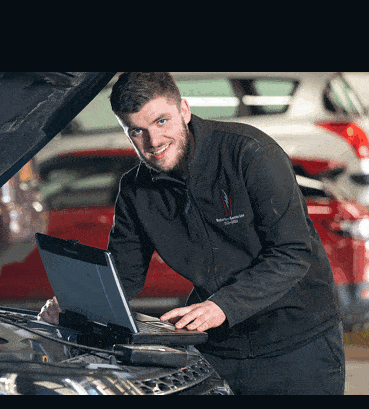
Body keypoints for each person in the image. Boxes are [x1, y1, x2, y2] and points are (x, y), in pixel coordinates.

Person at [38, 72, 345, 395]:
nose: (153, 142)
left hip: (297, 343)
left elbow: (292, 252)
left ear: (184, 110)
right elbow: (125, 275)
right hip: (219, 348)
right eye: (137, 131)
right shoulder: (135, 190)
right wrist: (76, 303)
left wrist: (222, 306)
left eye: (161, 121)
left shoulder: (249, 154)